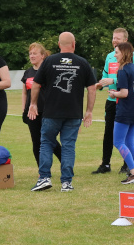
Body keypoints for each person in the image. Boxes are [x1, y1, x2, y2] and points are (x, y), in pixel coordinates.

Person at [27, 31, 98, 192]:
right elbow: (92, 88)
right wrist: (89, 111)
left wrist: (33, 104)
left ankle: (44, 178)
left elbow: (36, 84)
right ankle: (66, 182)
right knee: (68, 146)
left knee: (46, 143)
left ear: (59, 45)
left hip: (51, 112)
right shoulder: (82, 62)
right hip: (73, 113)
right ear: (74, 44)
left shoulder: (49, 61)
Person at [93, 28, 134, 174]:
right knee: (108, 133)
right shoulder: (109, 56)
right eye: (113, 38)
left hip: (125, 100)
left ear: (125, 41)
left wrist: (113, 80)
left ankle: (128, 166)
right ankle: (105, 164)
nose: (114, 41)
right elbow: (104, 75)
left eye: (118, 38)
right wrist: (100, 85)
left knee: (124, 137)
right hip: (111, 99)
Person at [110, 42, 134, 184]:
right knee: (130, 142)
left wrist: (114, 94)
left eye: (117, 52)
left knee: (118, 142)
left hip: (125, 112)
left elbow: (124, 93)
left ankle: (133, 173)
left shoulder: (123, 70)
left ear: (124, 53)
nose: (114, 55)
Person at [21, 42, 60, 165]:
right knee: (36, 141)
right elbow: (24, 93)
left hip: (47, 111)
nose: (32, 56)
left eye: (35, 53)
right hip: (32, 112)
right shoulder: (27, 73)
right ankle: (41, 169)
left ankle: (65, 162)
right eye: (30, 54)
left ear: (42, 55)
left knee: (49, 140)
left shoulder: (49, 71)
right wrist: (24, 110)